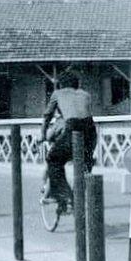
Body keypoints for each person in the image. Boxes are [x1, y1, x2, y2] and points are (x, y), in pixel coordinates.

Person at [40, 73, 97, 206]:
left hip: (73, 127)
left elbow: (47, 116)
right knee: (85, 163)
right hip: (91, 129)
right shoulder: (85, 94)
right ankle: (81, 194)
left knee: (53, 159)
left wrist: (42, 134)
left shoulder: (57, 93)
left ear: (60, 85)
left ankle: (65, 195)